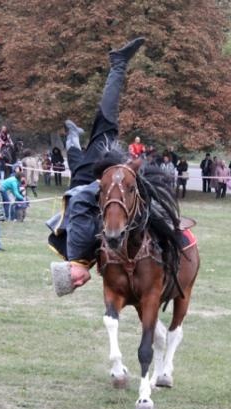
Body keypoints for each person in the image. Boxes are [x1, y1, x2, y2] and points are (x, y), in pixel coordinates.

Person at [47, 37, 147, 292]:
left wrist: (106, 184)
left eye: (74, 281)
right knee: (76, 160)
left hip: (90, 179)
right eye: (77, 285)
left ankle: (118, 64)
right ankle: (72, 135)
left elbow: (81, 201)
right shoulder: (82, 257)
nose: (80, 282)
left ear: (69, 270)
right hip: (80, 177)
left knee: (107, 122)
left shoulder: (79, 247)